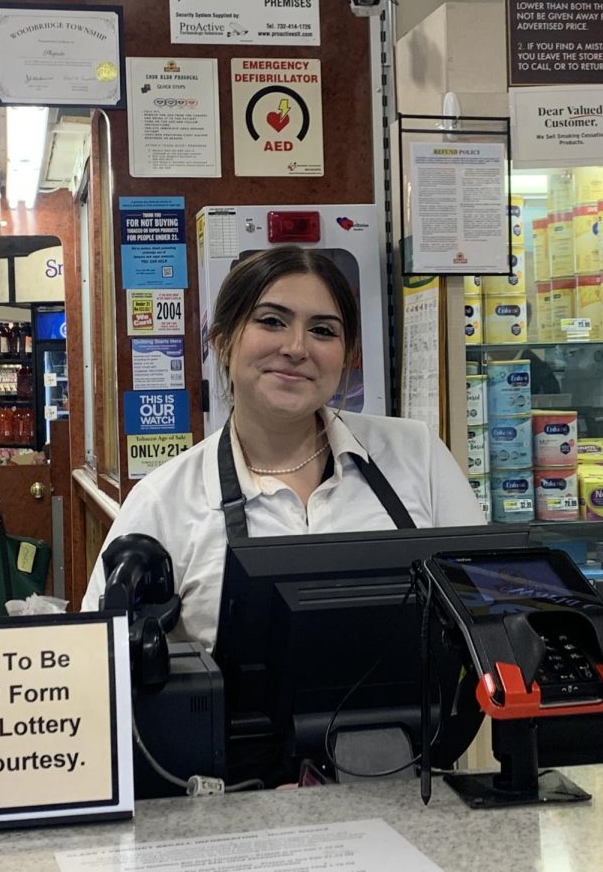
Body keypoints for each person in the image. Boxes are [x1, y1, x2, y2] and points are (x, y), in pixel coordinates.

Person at [81, 246, 484, 648]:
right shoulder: (164, 500)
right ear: (221, 342)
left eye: (323, 330)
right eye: (271, 321)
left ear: (347, 356)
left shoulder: (418, 454)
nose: (296, 348)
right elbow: (100, 666)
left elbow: (492, 614)